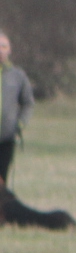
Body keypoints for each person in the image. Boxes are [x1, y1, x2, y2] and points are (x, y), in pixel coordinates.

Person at [0, 31, 29, 189]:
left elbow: (27, 103)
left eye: (4, 46)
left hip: (6, 138)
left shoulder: (18, 76)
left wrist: (21, 123)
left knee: (2, 179)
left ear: (9, 50)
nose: (0, 50)